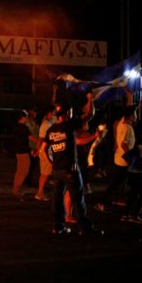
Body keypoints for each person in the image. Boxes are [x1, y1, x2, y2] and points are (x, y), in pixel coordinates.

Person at [41, 93, 103, 235]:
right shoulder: (69, 125)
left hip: (57, 170)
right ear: (68, 112)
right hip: (71, 169)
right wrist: (89, 99)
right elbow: (90, 114)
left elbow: (42, 150)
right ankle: (84, 228)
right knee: (78, 198)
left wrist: (51, 162)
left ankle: (58, 226)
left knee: (57, 200)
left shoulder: (51, 130)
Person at [122, 119, 142, 224]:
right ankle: (134, 215)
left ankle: (126, 214)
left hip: (132, 169)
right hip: (136, 170)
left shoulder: (141, 138)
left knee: (134, 192)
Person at [12, 110, 38, 199]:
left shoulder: (15, 126)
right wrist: (41, 142)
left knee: (19, 171)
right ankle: (16, 190)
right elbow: (31, 138)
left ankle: (16, 189)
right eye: (26, 116)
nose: (27, 118)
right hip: (23, 153)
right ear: (22, 117)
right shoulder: (23, 128)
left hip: (18, 152)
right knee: (24, 171)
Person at [35, 105, 56, 201]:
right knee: (45, 174)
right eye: (53, 112)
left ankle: (40, 192)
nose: (54, 114)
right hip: (45, 152)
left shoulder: (49, 122)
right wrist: (39, 151)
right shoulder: (45, 125)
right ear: (49, 113)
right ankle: (39, 193)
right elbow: (41, 139)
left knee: (45, 173)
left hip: (46, 151)